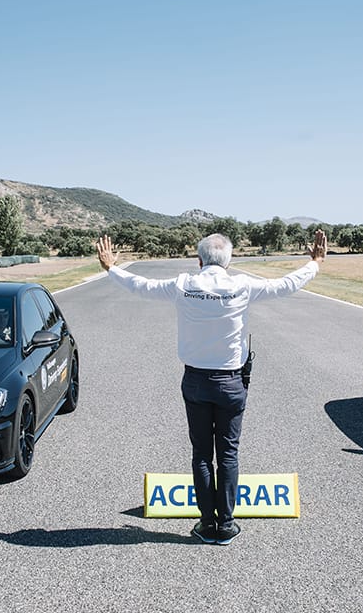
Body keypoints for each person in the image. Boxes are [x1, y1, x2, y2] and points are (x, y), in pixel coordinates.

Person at [96, 229, 328, 546]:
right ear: (229, 261)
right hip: (232, 382)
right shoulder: (242, 285)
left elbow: (142, 286)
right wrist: (314, 263)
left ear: (199, 259)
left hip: (195, 381)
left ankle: (207, 524)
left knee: (202, 455)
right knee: (228, 454)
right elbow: (285, 285)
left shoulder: (183, 285)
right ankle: (227, 525)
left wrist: (111, 268)